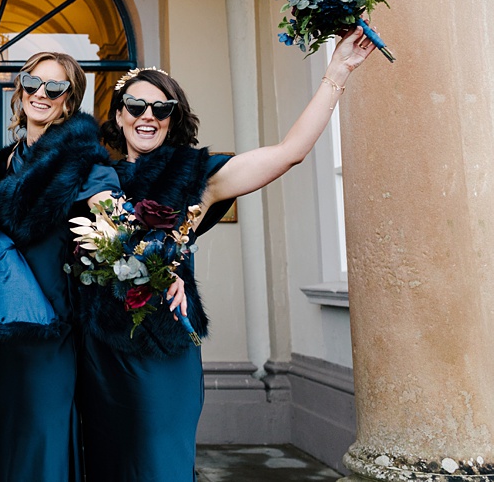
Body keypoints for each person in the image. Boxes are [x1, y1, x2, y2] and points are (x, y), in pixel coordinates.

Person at [78, 27, 377, 481]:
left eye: (161, 108)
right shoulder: (94, 178)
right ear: (119, 116)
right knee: (107, 461)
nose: (148, 116)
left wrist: (336, 72)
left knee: (161, 463)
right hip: (102, 350)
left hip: (163, 344)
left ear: (172, 118)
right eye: (136, 106)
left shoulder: (200, 176)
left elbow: (290, 153)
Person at [0, 52, 119, 482]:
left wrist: (134, 237)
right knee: (5, 430)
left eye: (54, 88)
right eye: (33, 82)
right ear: (20, 88)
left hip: (51, 320)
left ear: (68, 101)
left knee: (44, 431)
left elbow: (112, 213)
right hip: (0, 322)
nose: (41, 93)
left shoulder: (84, 160)